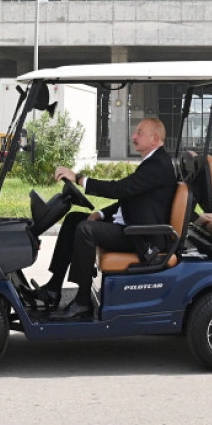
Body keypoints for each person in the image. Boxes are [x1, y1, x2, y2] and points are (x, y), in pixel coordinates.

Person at [34, 117, 176, 320]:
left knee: (86, 230)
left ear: (154, 138)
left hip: (142, 236)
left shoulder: (158, 165)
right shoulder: (153, 162)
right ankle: (53, 288)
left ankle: (82, 301)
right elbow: (130, 198)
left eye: (139, 133)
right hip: (132, 225)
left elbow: (120, 189)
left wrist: (80, 179)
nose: (133, 137)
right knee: (74, 219)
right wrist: (101, 214)